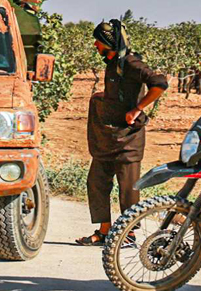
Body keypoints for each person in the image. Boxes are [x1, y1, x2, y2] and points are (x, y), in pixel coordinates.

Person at [77, 20, 168, 246]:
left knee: (128, 189)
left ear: (108, 42)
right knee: (96, 183)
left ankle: (128, 234)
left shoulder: (131, 63)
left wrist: (138, 108)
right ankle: (105, 231)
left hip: (129, 138)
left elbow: (159, 83)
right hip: (107, 137)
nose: (95, 46)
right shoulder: (113, 63)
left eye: (98, 41)